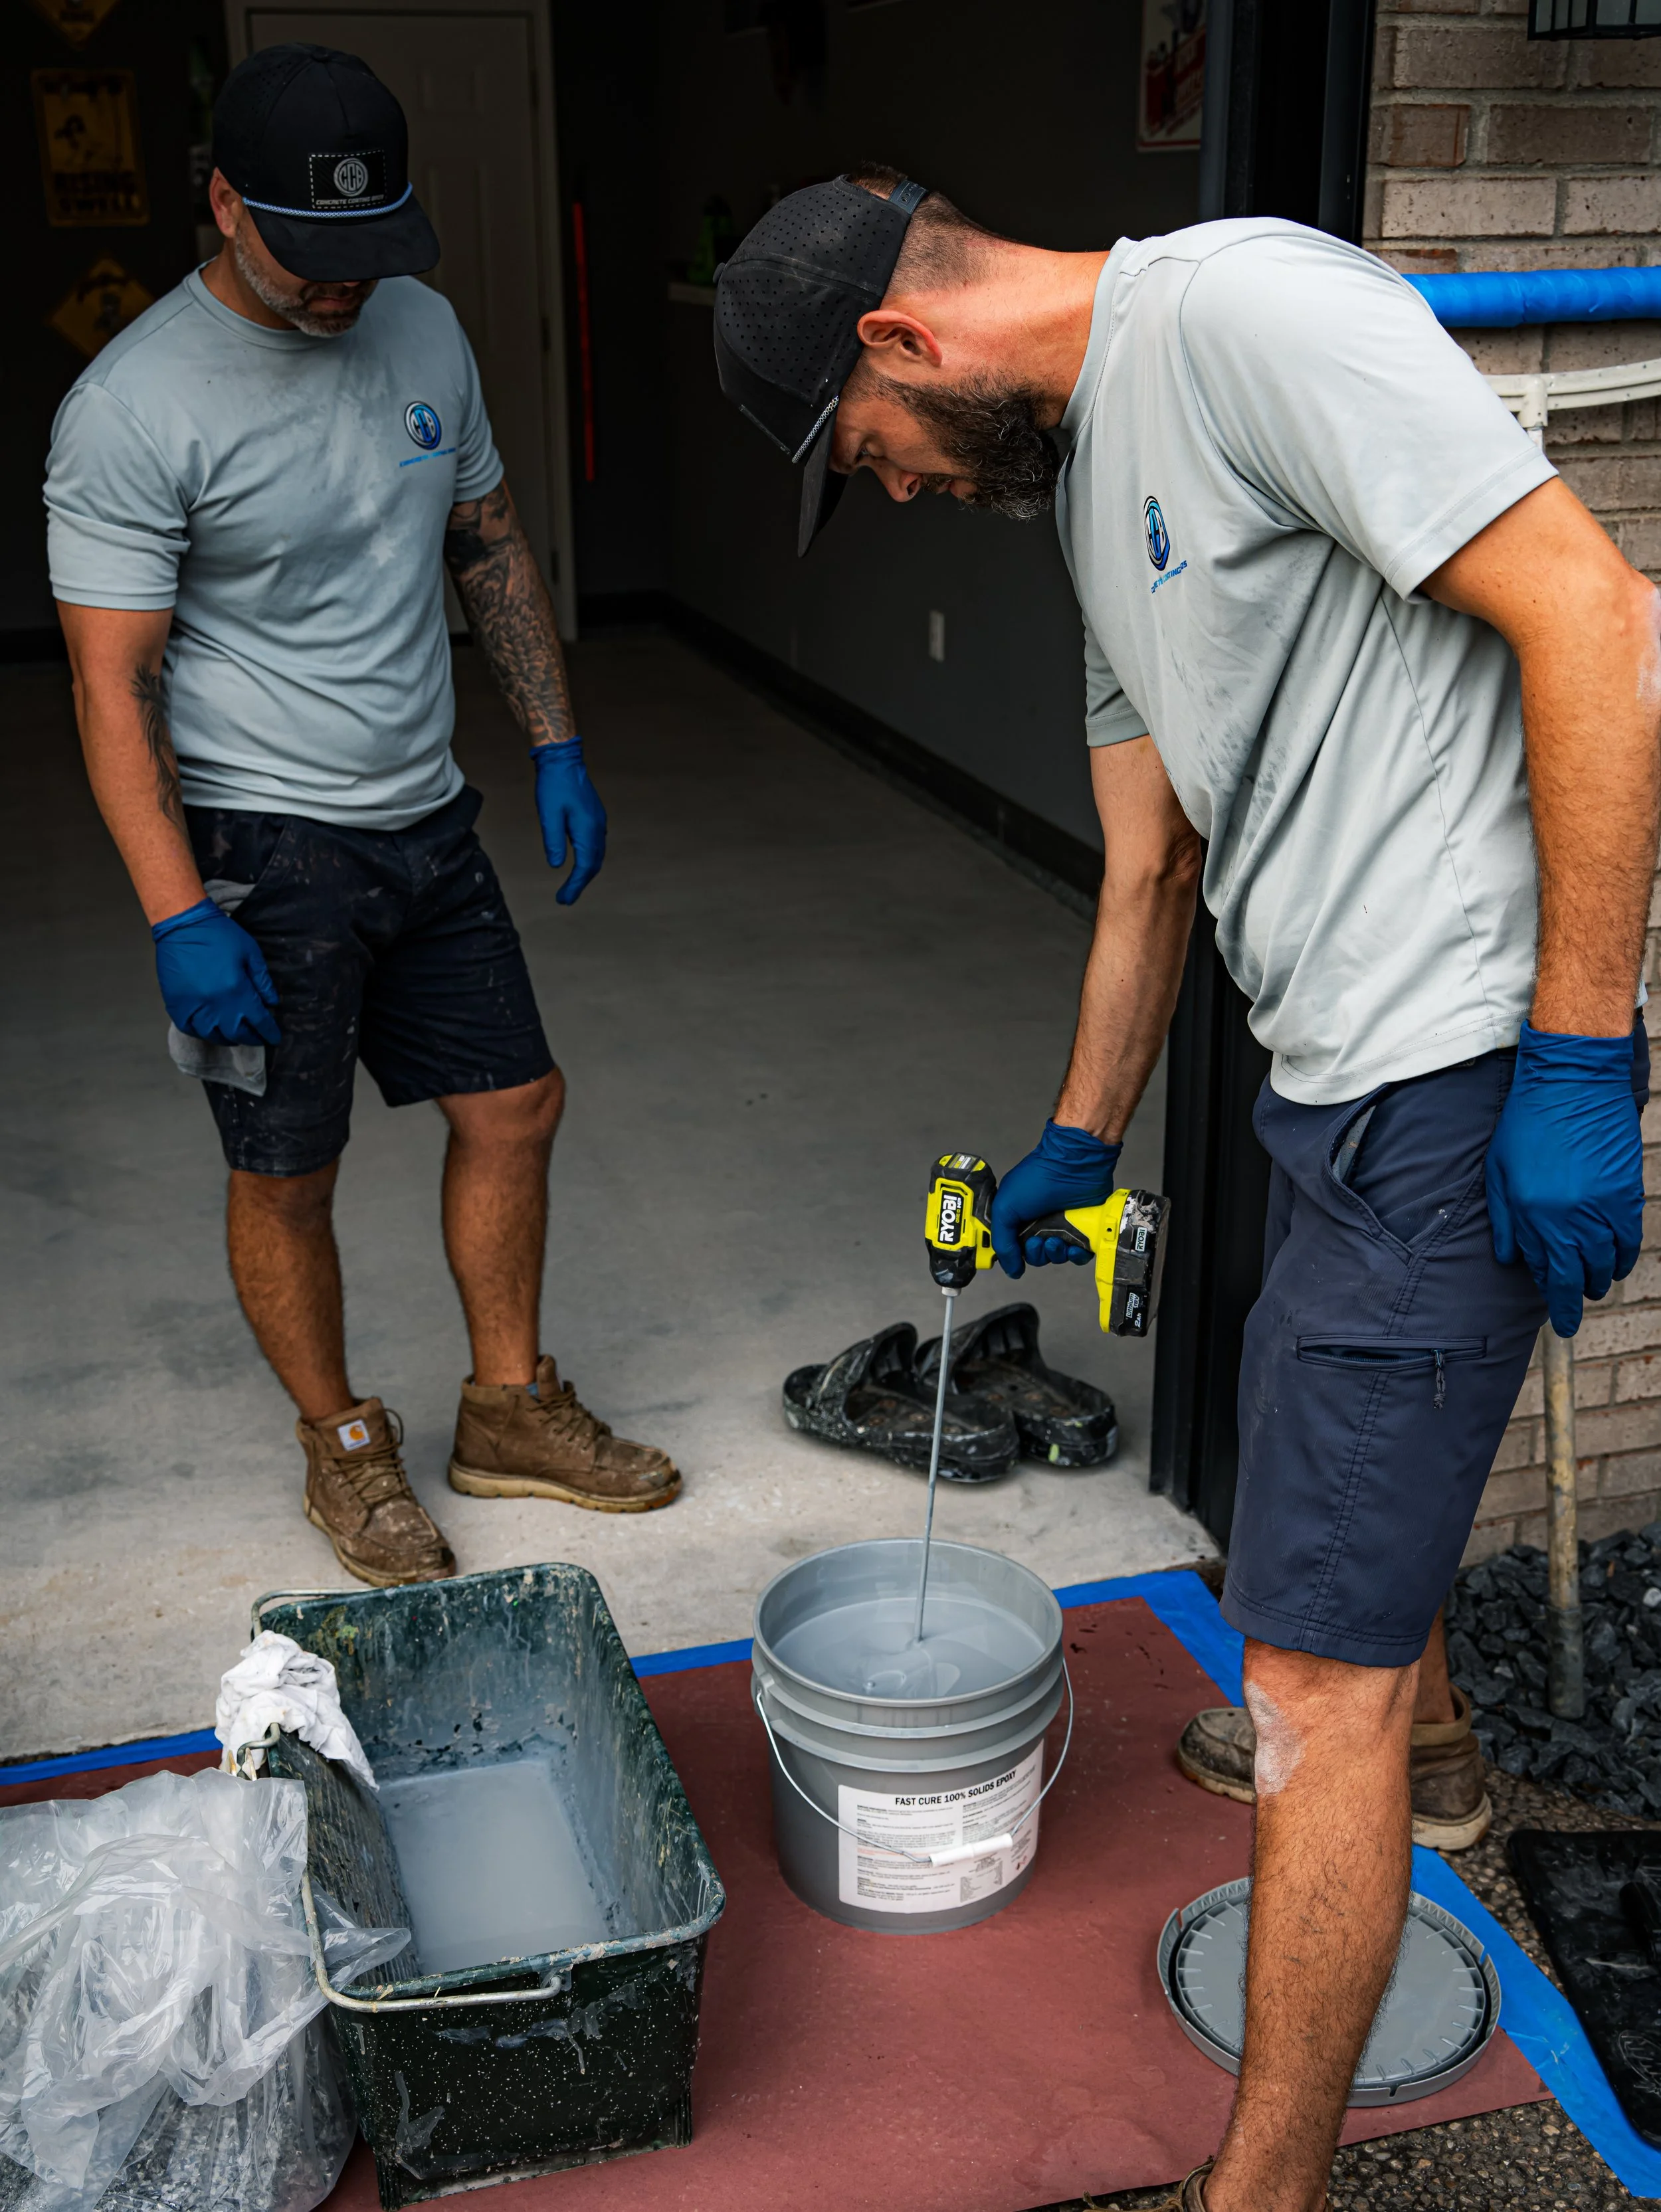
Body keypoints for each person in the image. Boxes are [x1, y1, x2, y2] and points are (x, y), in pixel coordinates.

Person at [714, 171, 1656, 2211]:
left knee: (1304, 1686)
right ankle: (1437, 1761)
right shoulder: (1076, 499)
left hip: (1450, 1070)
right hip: (1322, 1092)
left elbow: (1599, 616)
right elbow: (1151, 867)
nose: (883, 493)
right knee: (1339, 1603)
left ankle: (1263, 2195)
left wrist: (1579, 1051)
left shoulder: (1236, 321)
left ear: (900, 348)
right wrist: (1080, 1135)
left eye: (859, 459)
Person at [46, 43, 679, 1591]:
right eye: (307, 257)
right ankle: (341, 1447)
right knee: (289, 1167)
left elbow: (486, 538)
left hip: (425, 811)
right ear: (219, 204)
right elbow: (111, 689)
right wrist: (178, 913)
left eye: (368, 253)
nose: (343, 292)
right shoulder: (131, 408)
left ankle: (509, 1409)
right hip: (264, 845)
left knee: (513, 1103)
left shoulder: (425, 328)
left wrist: (555, 741)